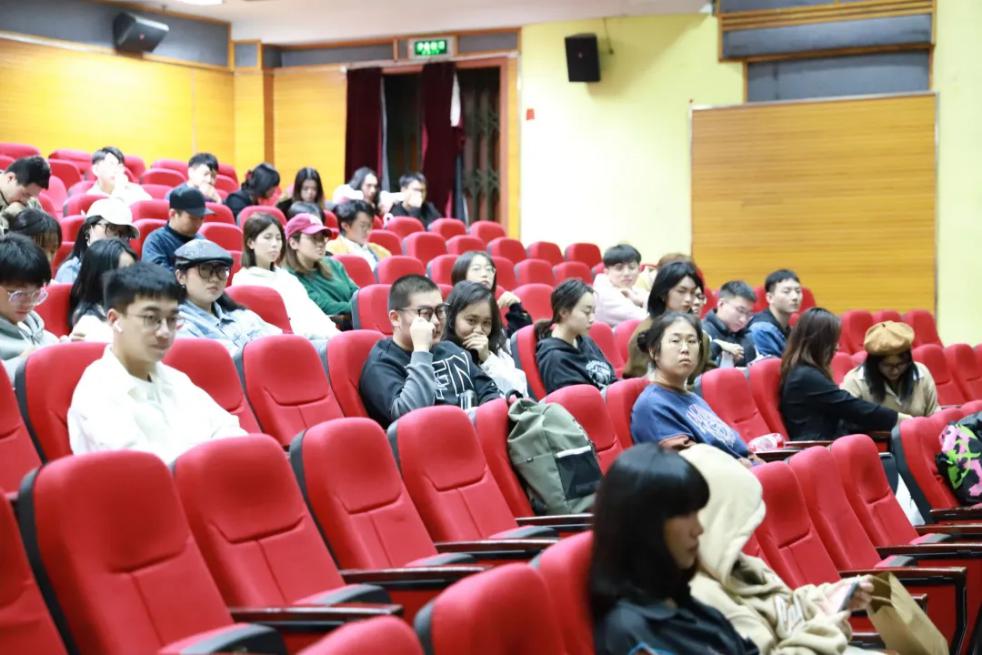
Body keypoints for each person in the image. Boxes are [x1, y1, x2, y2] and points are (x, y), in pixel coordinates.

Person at [682, 443, 874, 654]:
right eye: (735, 516)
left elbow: (784, 607)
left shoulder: (742, 564)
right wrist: (826, 627)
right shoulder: (701, 600)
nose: (748, 527)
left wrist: (827, 596)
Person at [590, 443, 760, 655]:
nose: (698, 529)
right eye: (685, 514)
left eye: (697, 512)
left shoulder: (686, 604)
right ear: (643, 525)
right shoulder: (630, 632)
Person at [67, 263, 246, 463]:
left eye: (172, 319)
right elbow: (141, 469)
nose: (164, 332)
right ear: (115, 319)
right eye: (151, 318)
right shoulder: (98, 390)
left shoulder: (176, 379)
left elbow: (229, 431)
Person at [359, 274, 499, 426]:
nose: (436, 321)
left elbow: (489, 392)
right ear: (395, 318)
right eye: (425, 314)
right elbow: (410, 416)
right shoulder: (381, 363)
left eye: (440, 311)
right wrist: (421, 351)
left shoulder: (451, 350)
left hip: (471, 433)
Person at [631, 312, 755, 463]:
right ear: (654, 351)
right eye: (675, 341)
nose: (685, 349)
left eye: (692, 341)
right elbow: (692, 465)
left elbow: (737, 448)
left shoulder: (694, 398)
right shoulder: (652, 405)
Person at [780, 308, 906, 441]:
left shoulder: (805, 372)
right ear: (817, 342)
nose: (837, 347)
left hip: (832, 443)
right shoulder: (806, 376)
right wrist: (898, 419)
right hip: (820, 447)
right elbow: (851, 407)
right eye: (832, 342)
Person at [231, 212, 340, 341]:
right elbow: (259, 328)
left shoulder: (288, 278)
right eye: (267, 237)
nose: (274, 244)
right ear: (251, 243)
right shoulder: (243, 281)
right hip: (287, 343)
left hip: (319, 339)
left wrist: (336, 336)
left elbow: (312, 312)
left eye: (278, 238)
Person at [174, 240, 281, 354]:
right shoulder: (177, 324)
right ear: (181, 277)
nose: (215, 278)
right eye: (204, 270)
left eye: (220, 271)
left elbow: (281, 343)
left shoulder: (240, 314)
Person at [623, 260, 712, 380]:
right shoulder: (646, 334)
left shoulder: (696, 329)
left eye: (692, 293)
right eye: (681, 291)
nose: (688, 299)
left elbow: (708, 371)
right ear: (662, 294)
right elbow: (643, 381)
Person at [444, 281, 528, 397]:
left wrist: (487, 359)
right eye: (471, 321)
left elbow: (520, 394)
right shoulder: (439, 353)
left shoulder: (498, 352)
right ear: (452, 318)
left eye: (486, 323)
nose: (479, 330)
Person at [842, 321, 939, 417]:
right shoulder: (855, 381)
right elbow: (847, 420)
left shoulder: (922, 373)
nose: (895, 371)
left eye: (900, 364)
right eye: (887, 365)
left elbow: (934, 415)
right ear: (873, 364)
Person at [535, 279, 616, 394]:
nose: (592, 319)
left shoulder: (586, 341)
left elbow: (612, 380)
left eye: (593, 312)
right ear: (563, 312)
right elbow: (576, 400)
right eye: (587, 312)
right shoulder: (554, 357)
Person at [0, 233, 58, 378]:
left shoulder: (34, 327)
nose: (28, 303)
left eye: (36, 294)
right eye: (18, 294)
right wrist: (21, 365)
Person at [284, 213, 360, 323]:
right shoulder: (288, 277)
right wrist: (358, 307)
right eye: (313, 238)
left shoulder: (334, 265)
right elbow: (322, 305)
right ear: (293, 243)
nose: (321, 243)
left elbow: (357, 293)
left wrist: (361, 304)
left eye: (322, 238)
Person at [68, 238, 138, 342]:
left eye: (134, 271)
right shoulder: (89, 325)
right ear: (100, 279)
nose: (134, 279)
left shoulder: (138, 308)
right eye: (124, 274)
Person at [55, 198, 138, 283]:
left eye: (124, 234)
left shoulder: (127, 271)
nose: (117, 238)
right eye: (111, 228)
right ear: (88, 230)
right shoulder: (71, 271)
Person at [451, 250, 532, 335]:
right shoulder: (451, 309)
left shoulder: (489, 306)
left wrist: (516, 307)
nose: (485, 274)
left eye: (489, 269)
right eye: (476, 269)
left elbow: (512, 339)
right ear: (461, 273)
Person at [141, 186, 212, 270]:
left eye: (202, 218)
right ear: (173, 214)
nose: (198, 224)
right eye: (193, 218)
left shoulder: (202, 240)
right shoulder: (156, 241)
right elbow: (157, 274)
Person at [702, 280, 757, 368]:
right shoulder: (702, 332)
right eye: (740, 310)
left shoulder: (746, 335)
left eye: (748, 314)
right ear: (721, 304)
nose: (743, 320)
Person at [749, 269, 802, 358]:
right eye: (786, 292)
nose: (795, 297)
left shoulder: (789, 328)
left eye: (798, 291)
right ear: (770, 298)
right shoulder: (761, 329)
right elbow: (775, 365)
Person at [593, 244, 649, 328]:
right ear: (606, 272)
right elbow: (646, 319)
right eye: (619, 268)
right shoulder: (603, 294)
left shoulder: (636, 290)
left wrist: (640, 302)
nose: (626, 273)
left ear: (639, 269)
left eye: (632, 267)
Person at [326, 200, 391, 270]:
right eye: (363, 226)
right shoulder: (331, 250)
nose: (368, 231)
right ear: (345, 226)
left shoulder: (382, 251)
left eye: (370, 226)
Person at [86, 146, 150, 204]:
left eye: (120, 167)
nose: (116, 170)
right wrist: (119, 190)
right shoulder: (91, 197)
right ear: (96, 169)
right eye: (111, 165)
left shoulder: (136, 190)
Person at [0, 155, 48, 229]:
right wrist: (6, 216)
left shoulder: (31, 202)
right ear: (10, 178)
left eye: (30, 196)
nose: (25, 201)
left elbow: (45, 231)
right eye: (25, 194)